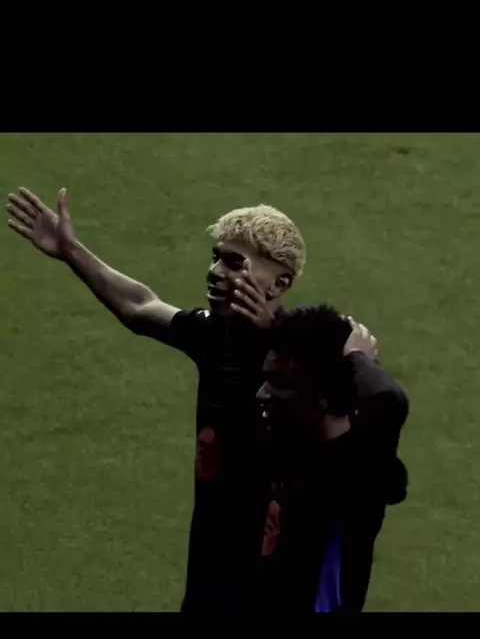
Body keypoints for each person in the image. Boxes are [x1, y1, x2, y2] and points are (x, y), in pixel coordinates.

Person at [6, 187, 307, 612]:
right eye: (216, 257)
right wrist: (71, 251)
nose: (215, 271)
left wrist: (273, 335)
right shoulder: (215, 335)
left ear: (280, 283)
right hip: (210, 561)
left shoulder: (302, 355)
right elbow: (140, 306)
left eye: (234, 262)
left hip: (272, 574)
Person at [255, 305, 409, 613]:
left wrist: (358, 358)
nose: (261, 394)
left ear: (323, 396)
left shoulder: (359, 474)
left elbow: (389, 400)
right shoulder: (289, 442)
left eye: (278, 383)